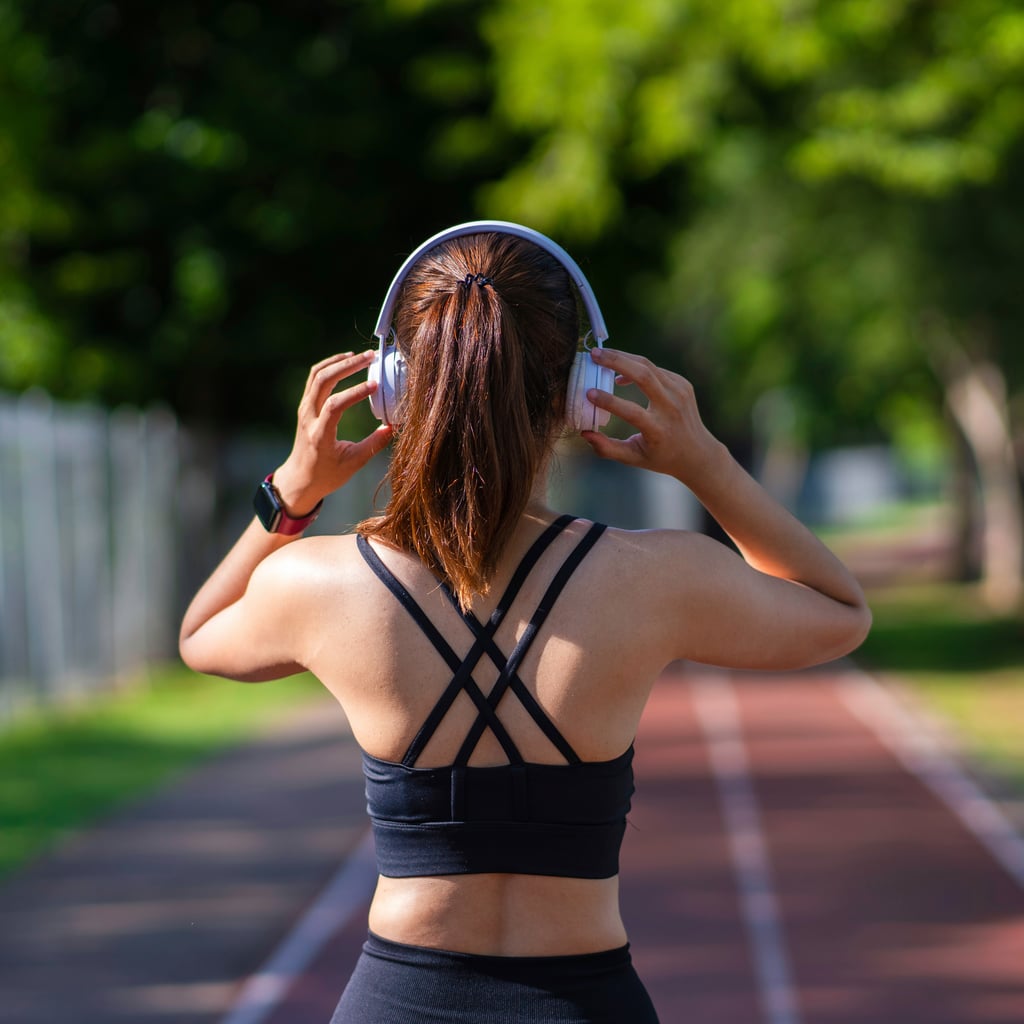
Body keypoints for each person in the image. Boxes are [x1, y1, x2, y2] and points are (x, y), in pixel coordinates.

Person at [179, 222, 871, 1023]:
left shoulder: (323, 583)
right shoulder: (653, 578)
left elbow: (201, 633)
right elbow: (839, 613)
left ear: (396, 388)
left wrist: (291, 491)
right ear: (579, 395)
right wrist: (705, 463)